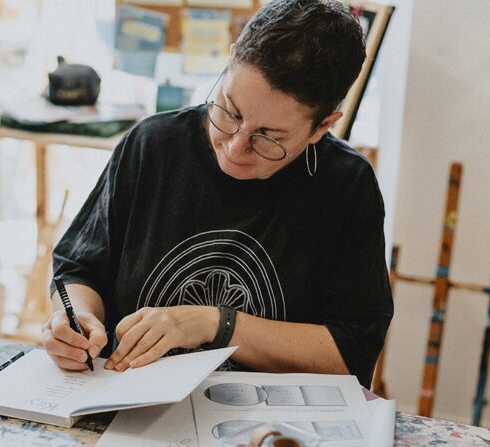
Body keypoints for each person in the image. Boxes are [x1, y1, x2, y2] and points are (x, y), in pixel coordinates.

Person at [44, 0, 393, 389]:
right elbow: (80, 269)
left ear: (322, 126)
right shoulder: (153, 145)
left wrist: (217, 324)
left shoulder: (345, 186)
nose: (235, 147)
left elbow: (351, 351)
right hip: (128, 399)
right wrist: (75, 320)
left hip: (267, 420)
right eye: (230, 111)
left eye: (269, 137)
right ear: (229, 62)